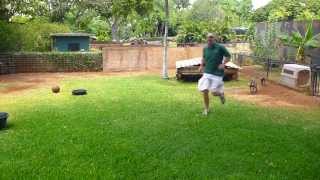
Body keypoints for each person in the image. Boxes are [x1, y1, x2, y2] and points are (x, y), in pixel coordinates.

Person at [198, 33, 231, 116]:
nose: (209, 39)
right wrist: (201, 66)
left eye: (211, 37)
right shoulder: (205, 48)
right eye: (208, 37)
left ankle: (221, 94)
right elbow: (204, 58)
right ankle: (206, 108)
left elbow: (228, 56)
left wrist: (223, 64)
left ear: (214, 38)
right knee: (205, 90)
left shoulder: (220, 47)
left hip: (217, 74)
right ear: (206, 39)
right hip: (207, 73)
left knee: (213, 92)